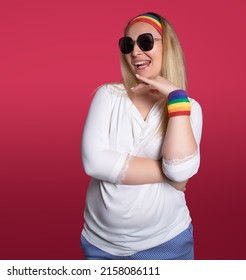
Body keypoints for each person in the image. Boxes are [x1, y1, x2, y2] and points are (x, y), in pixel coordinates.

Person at [80, 12, 203, 260]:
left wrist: (176, 98)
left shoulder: (188, 107)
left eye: (145, 42)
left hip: (167, 242)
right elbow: (94, 162)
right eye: (128, 45)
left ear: (166, 46)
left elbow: (179, 173)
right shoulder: (108, 96)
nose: (135, 52)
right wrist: (167, 173)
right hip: (100, 245)